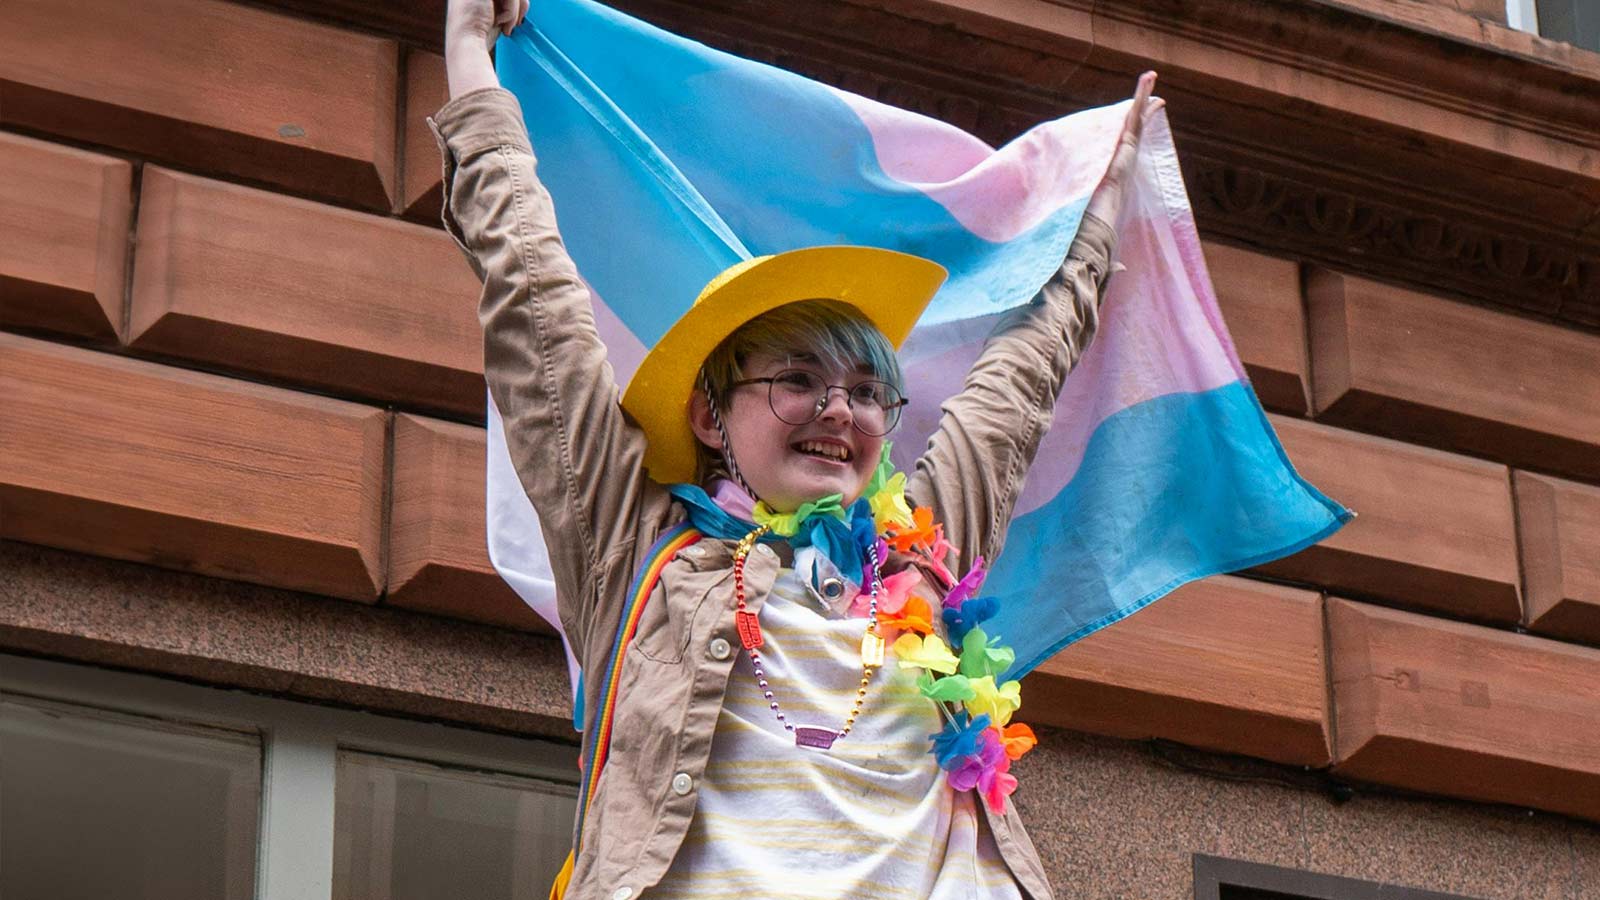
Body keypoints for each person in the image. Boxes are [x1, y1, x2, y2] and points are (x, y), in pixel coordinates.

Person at [435, 1, 1160, 896]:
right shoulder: (633, 550)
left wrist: (1096, 216)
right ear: (710, 417)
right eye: (797, 381)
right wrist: (469, 58)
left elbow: (1020, 383)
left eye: (865, 393)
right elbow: (533, 295)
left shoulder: (928, 553)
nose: (838, 412)